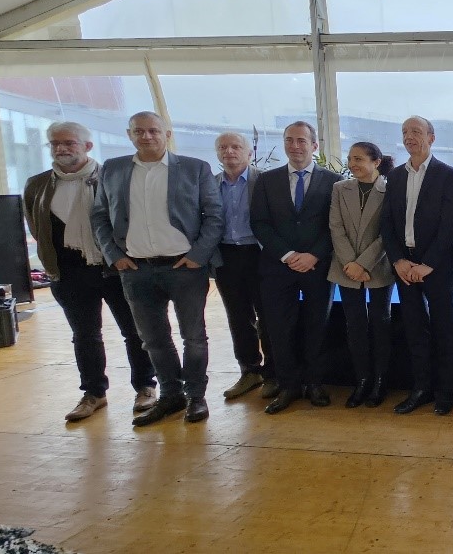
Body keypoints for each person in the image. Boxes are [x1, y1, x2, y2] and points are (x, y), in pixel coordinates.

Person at [90, 111, 222, 426]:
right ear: (129, 134)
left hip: (184, 268)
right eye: (139, 131)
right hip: (136, 270)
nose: (146, 137)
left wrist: (198, 255)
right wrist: (113, 254)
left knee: (194, 336)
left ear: (167, 133)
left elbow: (214, 215)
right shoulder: (113, 169)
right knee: (153, 339)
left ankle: (195, 397)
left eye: (153, 131)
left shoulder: (194, 168)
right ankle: (170, 395)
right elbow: (98, 215)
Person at [24, 121, 157, 422]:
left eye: (69, 143)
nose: (61, 149)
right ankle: (93, 393)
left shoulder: (113, 177)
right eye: (55, 143)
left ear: (87, 146)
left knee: (135, 331)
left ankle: (146, 387)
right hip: (69, 272)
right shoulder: (37, 184)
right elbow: (37, 226)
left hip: (117, 267)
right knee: (84, 335)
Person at [250, 122, 341, 414]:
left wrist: (314, 255)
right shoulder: (267, 180)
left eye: (302, 140)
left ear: (314, 146)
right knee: (278, 327)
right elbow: (259, 223)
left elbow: (336, 226)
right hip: (278, 267)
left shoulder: (335, 182)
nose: (295, 146)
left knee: (317, 325)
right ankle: (288, 385)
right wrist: (288, 255)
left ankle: (315, 383)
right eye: (289, 140)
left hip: (318, 266)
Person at [380, 116, 453, 415]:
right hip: (404, 265)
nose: (409, 137)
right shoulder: (396, 176)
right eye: (404, 132)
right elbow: (386, 223)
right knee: (414, 330)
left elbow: (448, 224)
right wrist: (399, 260)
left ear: (431, 137)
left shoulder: (448, 174)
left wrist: (427, 263)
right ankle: (421, 388)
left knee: (444, 329)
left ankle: (445, 393)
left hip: (436, 265)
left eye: (416, 131)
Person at [328, 142, 396, 409]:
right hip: (346, 267)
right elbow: (335, 226)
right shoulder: (339, 188)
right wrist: (350, 263)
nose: (352, 164)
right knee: (354, 326)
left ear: (376, 162)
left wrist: (364, 263)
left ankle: (380, 381)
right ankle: (362, 380)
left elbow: (387, 232)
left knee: (380, 323)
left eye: (358, 159)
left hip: (377, 266)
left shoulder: (390, 189)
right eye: (350, 158)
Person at [212, 132, 275, 401]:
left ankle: (274, 373)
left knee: (268, 315)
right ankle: (249, 370)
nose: (229, 152)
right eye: (223, 148)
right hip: (226, 256)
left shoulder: (265, 181)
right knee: (238, 317)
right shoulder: (210, 184)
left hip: (259, 254)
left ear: (249, 153)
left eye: (236, 147)